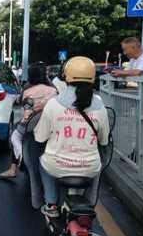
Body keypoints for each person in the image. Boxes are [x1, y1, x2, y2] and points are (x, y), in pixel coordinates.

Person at [34, 57, 110, 218]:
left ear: (66, 76)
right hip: (89, 168)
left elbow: (40, 138)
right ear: (93, 78)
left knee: (42, 162)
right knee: (99, 164)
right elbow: (104, 140)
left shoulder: (53, 104)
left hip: (56, 166)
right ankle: (90, 200)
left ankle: (51, 204)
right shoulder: (99, 104)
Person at [0, 63, 57, 179]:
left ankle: (17, 164)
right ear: (45, 75)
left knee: (15, 136)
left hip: (29, 124)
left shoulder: (27, 89)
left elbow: (19, 101)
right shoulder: (53, 89)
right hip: (51, 124)